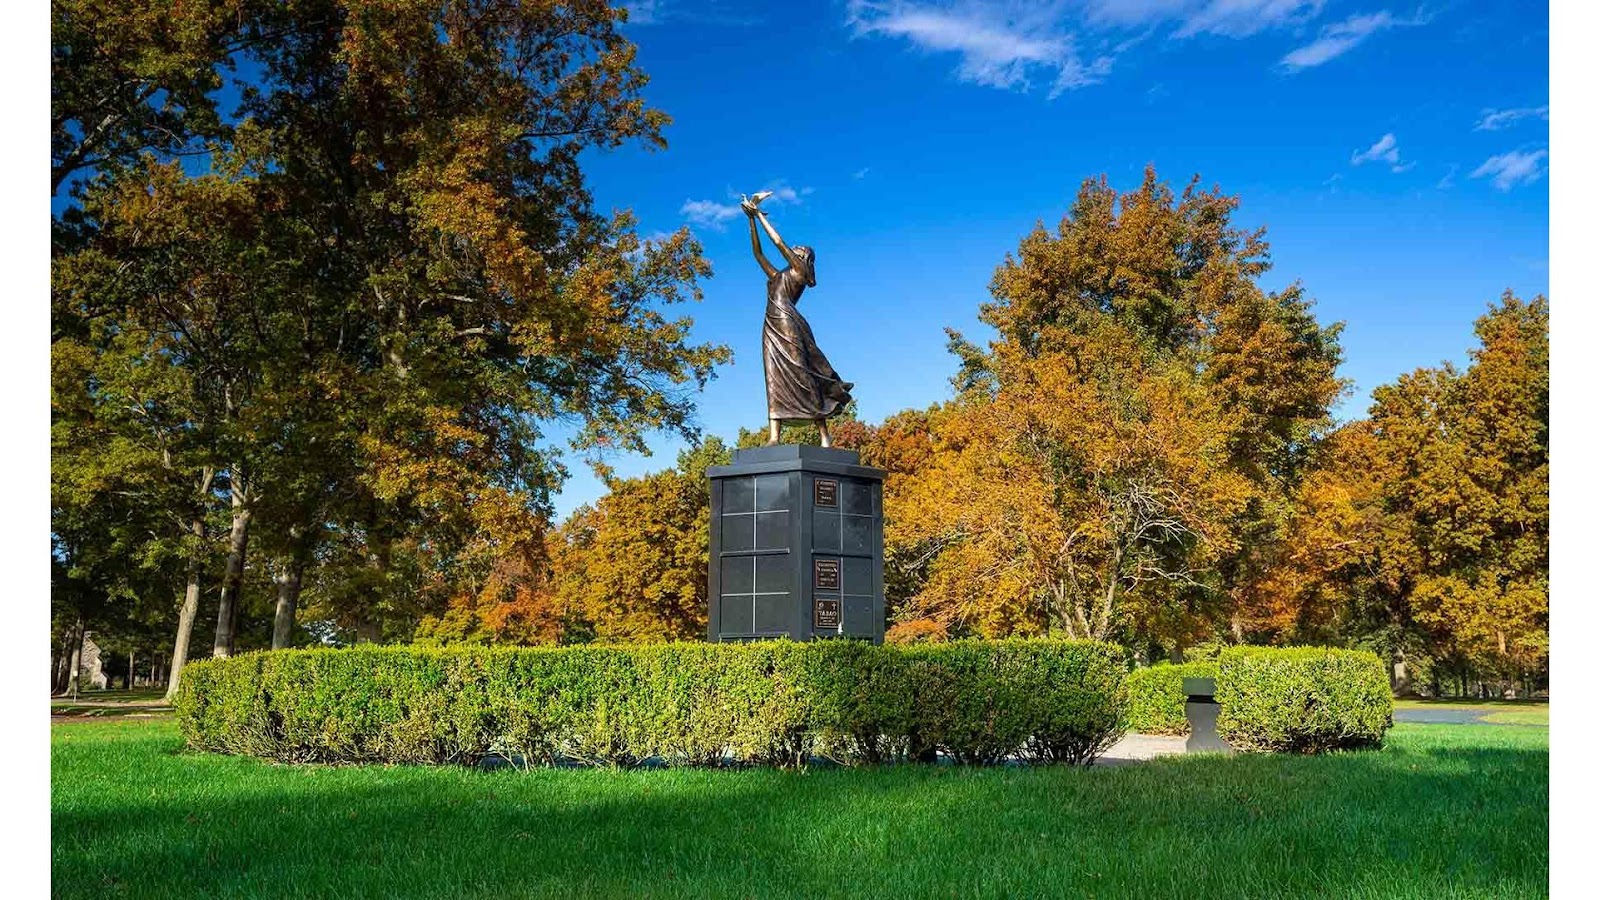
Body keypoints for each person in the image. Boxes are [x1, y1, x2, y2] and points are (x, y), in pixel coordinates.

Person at [742, 198, 854, 447]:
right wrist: (750, 220)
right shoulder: (777, 275)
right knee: (772, 377)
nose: (794, 249)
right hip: (770, 326)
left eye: (798, 250)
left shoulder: (800, 273)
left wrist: (760, 215)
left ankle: (824, 434)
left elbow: (778, 242)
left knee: (803, 374)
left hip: (788, 323)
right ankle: (774, 436)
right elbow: (758, 253)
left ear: (804, 257)